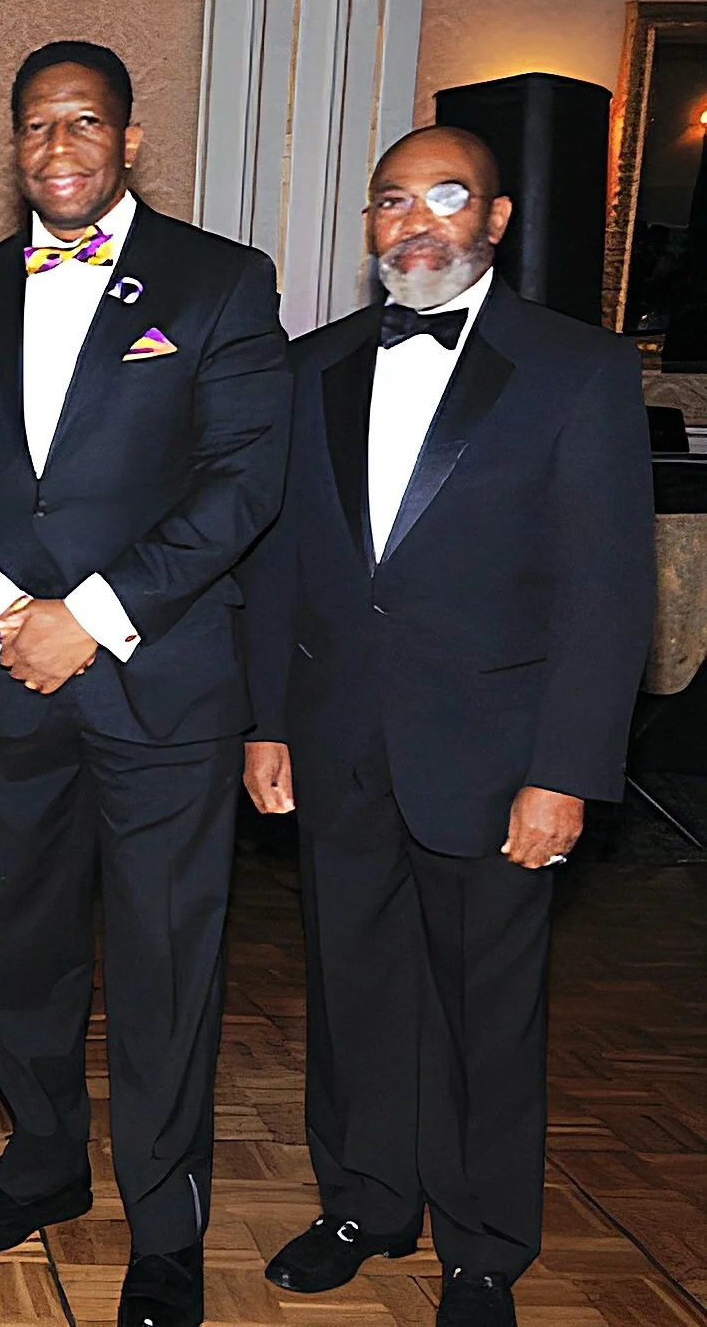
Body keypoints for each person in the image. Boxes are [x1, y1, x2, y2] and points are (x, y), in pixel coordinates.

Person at [0, 41, 289, 1327]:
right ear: (13, 144)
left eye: (83, 122)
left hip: (159, 685)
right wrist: (0, 610)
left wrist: (92, 619)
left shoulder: (222, 281)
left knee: (167, 964)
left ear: (129, 138)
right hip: (2, 674)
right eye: (35, 125)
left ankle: (166, 1225)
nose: (57, 147)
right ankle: (43, 1160)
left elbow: (243, 481)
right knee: (23, 949)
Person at [241, 127, 655, 1327]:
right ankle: (363, 1201)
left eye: (446, 195)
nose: (415, 222)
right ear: (369, 223)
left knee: (487, 1011)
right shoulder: (311, 365)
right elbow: (281, 563)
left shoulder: (579, 368)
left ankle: (483, 1246)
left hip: (497, 757)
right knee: (352, 989)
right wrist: (266, 721)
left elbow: (607, 592)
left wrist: (565, 769)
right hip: (338, 740)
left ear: (497, 218)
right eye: (391, 200)